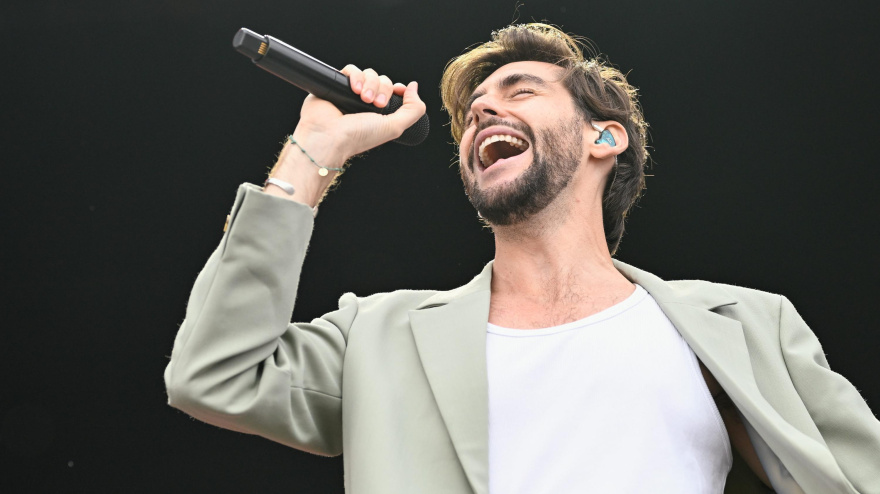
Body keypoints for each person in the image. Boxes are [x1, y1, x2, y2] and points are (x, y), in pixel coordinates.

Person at [164, 24, 880, 493]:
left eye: (521, 91)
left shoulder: (744, 328)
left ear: (605, 138)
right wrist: (315, 151)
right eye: (473, 108)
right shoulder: (380, 338)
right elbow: (214, 376)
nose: (482, 112)